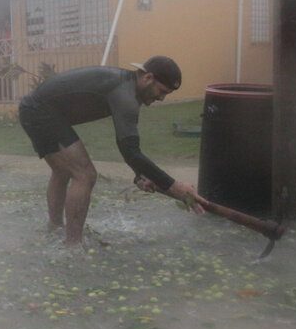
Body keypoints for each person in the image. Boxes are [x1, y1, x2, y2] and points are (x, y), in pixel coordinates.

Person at [18, 56, 206, 248]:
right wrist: (176, 187)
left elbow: (128, 147)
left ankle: (56, 228)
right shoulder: (125, 93)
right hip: (39, 111)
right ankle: (73, 246)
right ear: (148, 78)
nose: (162, 98)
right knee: (84, 174)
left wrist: (140, 174)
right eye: (163, 91)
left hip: (37, 109)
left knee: (64, 170)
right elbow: (130, 152)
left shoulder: (126, 87)